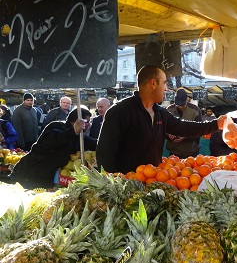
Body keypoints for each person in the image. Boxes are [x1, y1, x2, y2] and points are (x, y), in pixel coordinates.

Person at [96, 65, 225, 174]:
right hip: (126, 187)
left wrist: (216, 124)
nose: (166, 88)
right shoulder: (119, 112)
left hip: (154, 182)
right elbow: (104, 154)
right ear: (153, 83)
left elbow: (184, 128)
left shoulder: (160, 113)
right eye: (164, 83)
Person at [10, 107, 93, 190]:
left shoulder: (79, 136)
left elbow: (92, 142)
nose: (89, 125)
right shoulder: (56, 126)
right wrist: (73, 131)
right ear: (77, 121)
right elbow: (53, 140)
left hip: (47, 178)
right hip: (30, 173)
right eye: (87, 122)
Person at [165, 88, 203, 159]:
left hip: (191, 152)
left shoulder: (195, 110)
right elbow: (162, 128)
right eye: (178, 104)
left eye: (182, 104)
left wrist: (185, 137)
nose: (180, 106)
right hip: (174, 151)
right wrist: (168, 135)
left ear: (187, 99)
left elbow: (199, 131)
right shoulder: (169, 110)